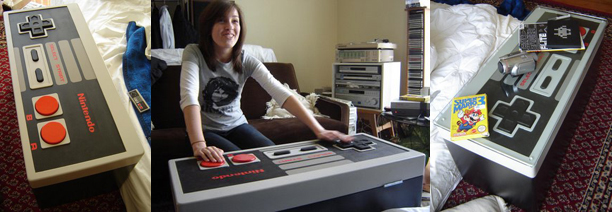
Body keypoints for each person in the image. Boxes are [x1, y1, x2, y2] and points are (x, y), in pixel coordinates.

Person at [180, 0, 352, 163]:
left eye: (235, 21)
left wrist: (319, 129)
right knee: (237, 163)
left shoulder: (246, 60)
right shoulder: (193, 53)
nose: (230, 27)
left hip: (237, 125)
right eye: (221, 21)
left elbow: (281, 93)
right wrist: (198, 144)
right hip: (206, 130)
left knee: (273, 156)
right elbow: (189, 96)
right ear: (208, 26)